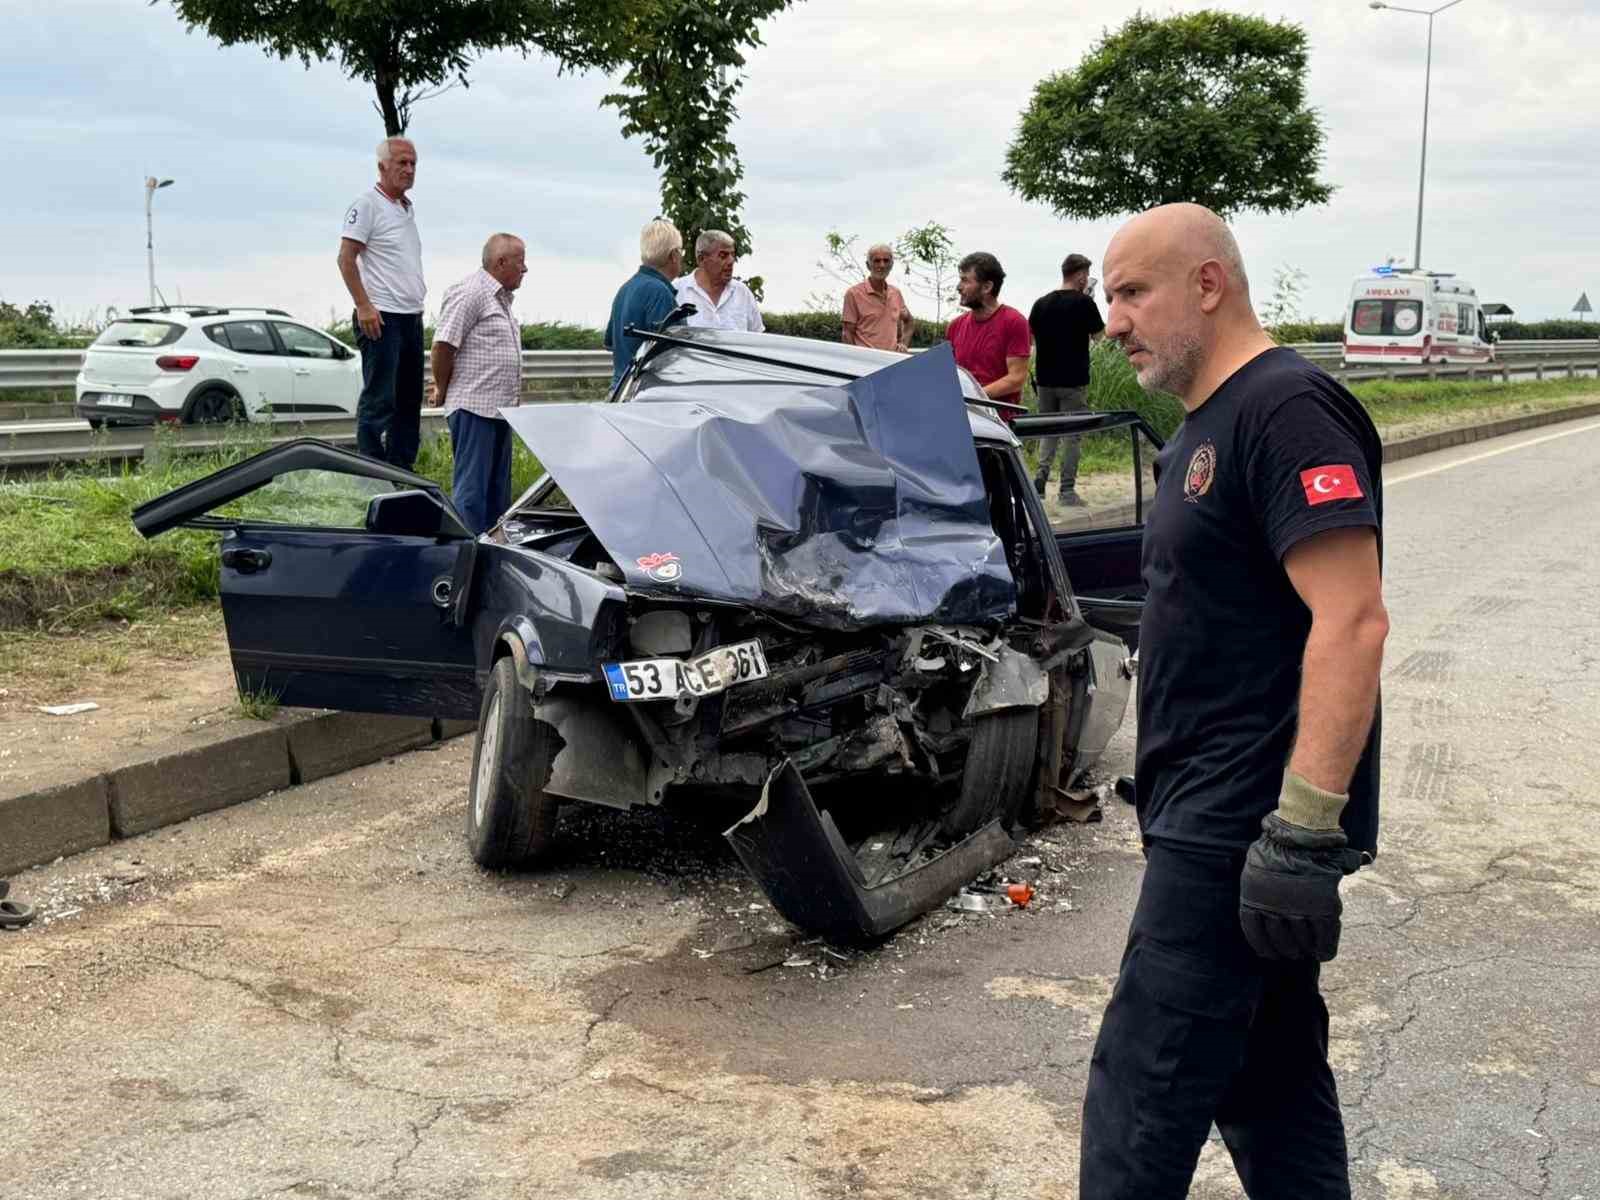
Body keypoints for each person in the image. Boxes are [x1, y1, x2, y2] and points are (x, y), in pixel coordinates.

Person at [1079, 203, 1388, 1200]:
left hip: (1233, 836)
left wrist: (1301, 837)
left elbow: (1352, 621)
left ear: (1207, 285)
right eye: (1106, 297)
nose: (1112, 321)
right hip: (1206, 826)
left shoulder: (1286, 408)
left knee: (1136, 1111)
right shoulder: (1203, 426)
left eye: (1131, 292)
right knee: (1270, 1090)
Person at [428, 234, 527, 535]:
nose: (525, 269)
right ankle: (467, 555)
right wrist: (442, 388)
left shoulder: (500, 299)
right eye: (520, 261)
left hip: (498, 411)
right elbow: (443, 345)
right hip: (474, 408)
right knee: (471, 495)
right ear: (500, 262)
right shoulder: (471, 292)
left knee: (497, 496)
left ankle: (493, 557)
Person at [338, 137, 426, 469]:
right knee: (380, 400)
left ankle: (402, 471)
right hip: (382, 316)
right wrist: (364, 305)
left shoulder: (405, 208)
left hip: (411, 317)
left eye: (413, 164)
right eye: (402, 162)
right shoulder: (367, 205)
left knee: (408, 402)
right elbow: (346, 259)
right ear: (382, 166)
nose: (408, 169)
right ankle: (371, 472)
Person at [1028, 252, 1105, 505]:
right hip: (1073, 382)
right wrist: (1089, 300)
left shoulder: (1040, 303)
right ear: (1081, 276)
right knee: (1072, 436)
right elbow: (1099, 337)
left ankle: (1040, 480)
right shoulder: (1084, 304)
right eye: (1087, 276)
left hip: (1045, 380)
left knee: (1048, 432)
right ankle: (1067, 491)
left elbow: (1032, 338)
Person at [946, 251, 1031, 420]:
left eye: (965, 280)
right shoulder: (955, 326)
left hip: (998, 422)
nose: (958, 287)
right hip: (961, 417)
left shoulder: (1014, 322)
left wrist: (973, 398)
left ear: (987, 287)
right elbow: (949, 373)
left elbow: (1017, 378)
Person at [605, 219, 685, 387]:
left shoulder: (625, 288)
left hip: (621, 390)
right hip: (645, 395)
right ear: (673, 255)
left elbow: (611, 343)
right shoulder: (659, 293)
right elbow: (672, 356)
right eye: (681, 251)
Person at [675, 230, 764, 332]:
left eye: (732, 255)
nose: (731, 261)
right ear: (701, 259)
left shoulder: (743, 293)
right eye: (723, 255)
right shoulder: (677, 291)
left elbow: (758, 338)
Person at [841, 243, 913, 351]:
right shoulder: (853, 294)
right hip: (865, 364)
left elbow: (910, 322)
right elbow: (847, 334)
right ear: (868, 265)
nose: (882, 265)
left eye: (886, 260)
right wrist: (854, 362)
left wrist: (904, 344)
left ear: (892, 265)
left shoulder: (896, 293)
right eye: (877, 261)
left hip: (891, 363)